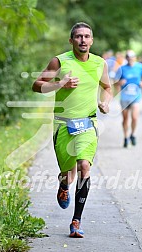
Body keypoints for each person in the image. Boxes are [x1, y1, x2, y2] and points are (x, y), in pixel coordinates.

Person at [32, 22, 112, 238]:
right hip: (63, 124)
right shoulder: (60, 61)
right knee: (69, 175)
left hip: (88, 123)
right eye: (78, 36)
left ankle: (76, 221)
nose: (83, 40)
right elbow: (37, 85)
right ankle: (64, 184)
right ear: (71, 40)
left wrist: (105, 103)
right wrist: (60, 84)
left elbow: (107, 88)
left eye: (87, 36)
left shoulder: (99, 63)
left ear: (92, 40)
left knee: (84, 167)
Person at [115, 50, 142, 148]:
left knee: (135, 117)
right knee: (125, 119)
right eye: (128, 56)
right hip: (124, 97)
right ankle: (125, 138)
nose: (130, 58)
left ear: (135, 57)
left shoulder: (140, 67)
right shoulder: (122, 68)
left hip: (136, 96)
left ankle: (132, 134)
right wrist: (120, 83)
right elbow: (115, 83)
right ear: (126, 58)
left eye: (132, 56)